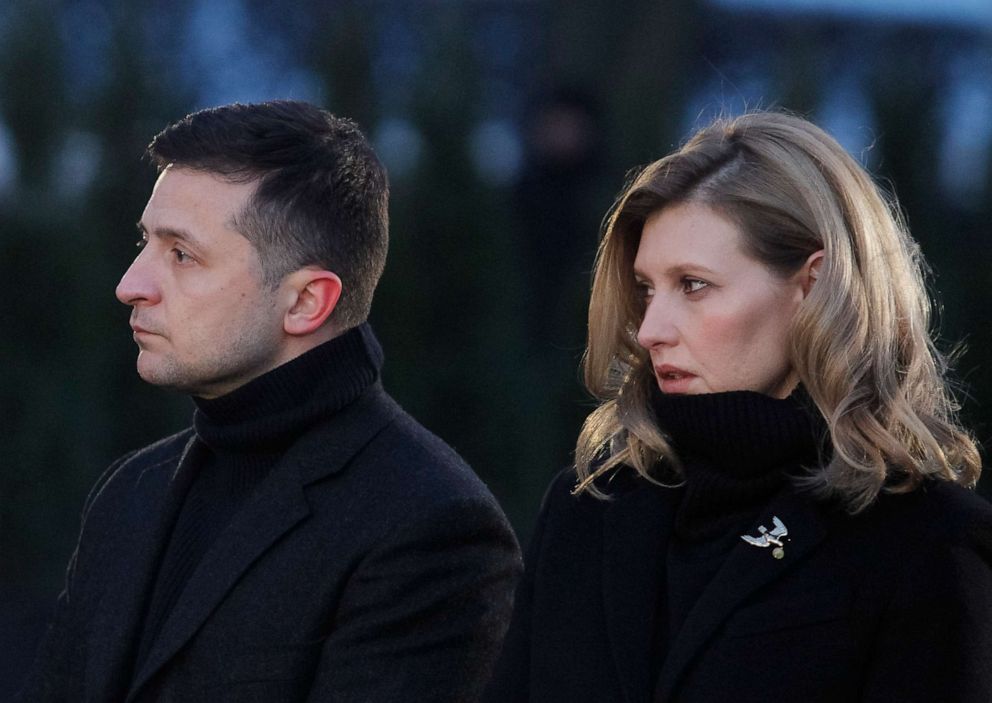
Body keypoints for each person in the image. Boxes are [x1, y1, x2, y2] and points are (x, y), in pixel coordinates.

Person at [17, 100, 521, 703]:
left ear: (307, 302)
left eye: (182, 254)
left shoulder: (430, 526)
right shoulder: (130, 493)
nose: (131, 285)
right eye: (144, 242)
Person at [485, 111, 992, 702]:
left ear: (813, 288)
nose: (650, 329)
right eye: (648, 288)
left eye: (693, 285)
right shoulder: (587, 510)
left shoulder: (927, 543)